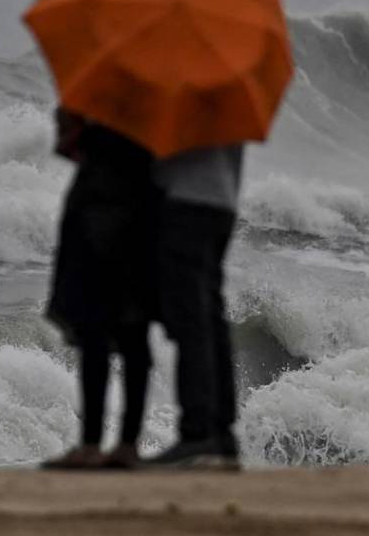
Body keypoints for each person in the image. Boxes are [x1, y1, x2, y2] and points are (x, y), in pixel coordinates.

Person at [41, 108, 162, 470]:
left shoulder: (106, 111)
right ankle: (124, 444)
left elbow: (70, 147)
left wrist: (76, 124)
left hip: (107, 227)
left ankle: (98, 444)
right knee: (130, 339)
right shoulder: (152, 113)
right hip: (136, 225)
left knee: (103, 339)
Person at [142, 144, 245, 470]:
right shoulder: (230, 95)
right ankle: (222, 433)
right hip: (223, 203)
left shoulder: (184, 100)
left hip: (188, 204)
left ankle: (197, 432)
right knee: (211, 315)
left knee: (191, 318)